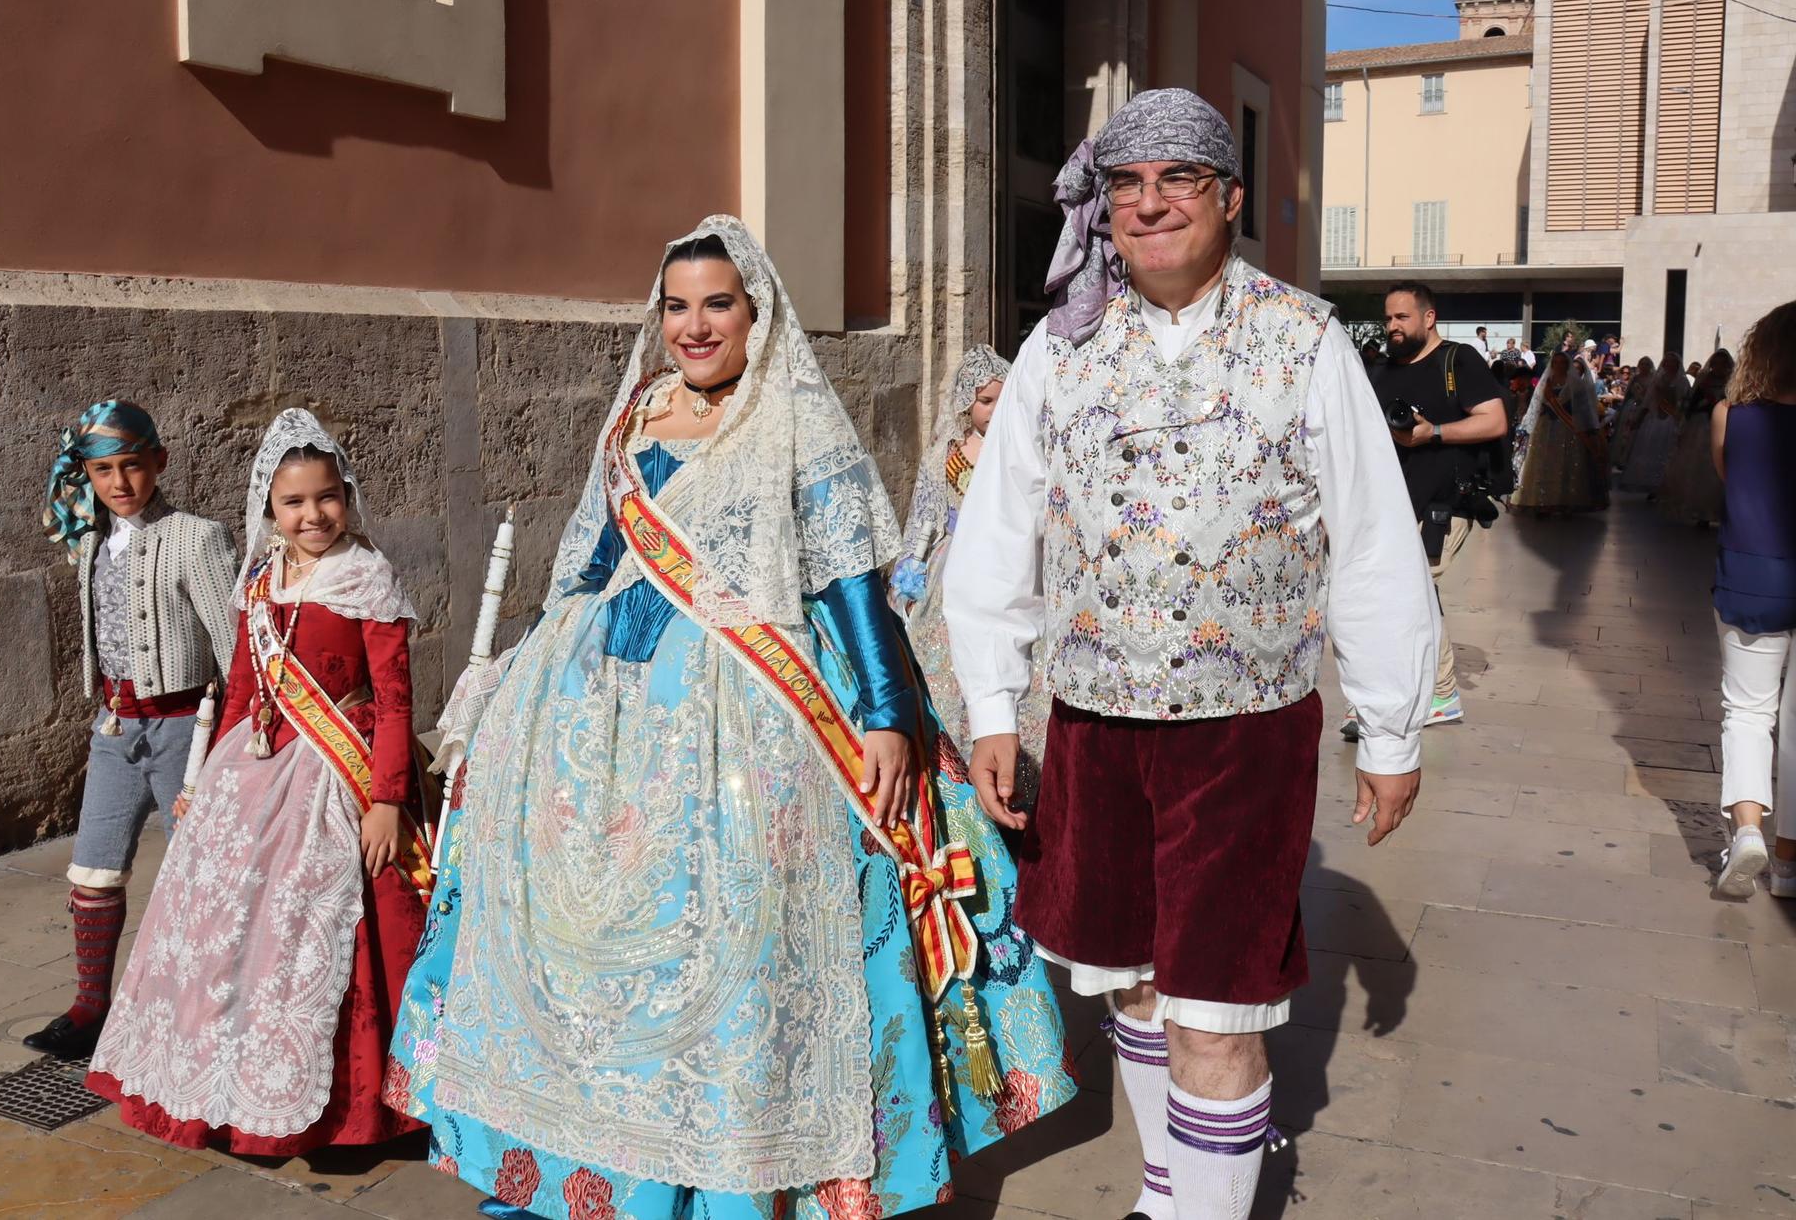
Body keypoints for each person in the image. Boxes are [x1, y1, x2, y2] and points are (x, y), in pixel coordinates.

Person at [386, 216, 1075, 1220]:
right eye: (677, 306)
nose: (694, 325)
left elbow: (848, 575)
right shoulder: (633, 417)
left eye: (717, 304)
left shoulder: (794, 418)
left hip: (745, 714)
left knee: (732, 938)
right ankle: (571, 1151)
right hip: (590, 716)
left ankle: (733, 1162)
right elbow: (584, 560)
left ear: (757, 314)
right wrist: (509, 681)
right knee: (570, 938)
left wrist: (885, 712)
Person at [947, 90, 1439, 1220]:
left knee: (1213, 1010)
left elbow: (1368, 541)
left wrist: (1390, 723)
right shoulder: (1058, 349)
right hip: (1092, 728)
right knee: (1128, 988)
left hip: (1243, 732)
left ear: (1225, 198)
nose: (1148, 202)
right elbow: (998, 532)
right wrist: (989, 702)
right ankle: (1169, 1201)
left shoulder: (1301, 337)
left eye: (1177, 179)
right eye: (1125, 183)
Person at [86, 409, 430, 1156]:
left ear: (348, 493)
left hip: (340, 776)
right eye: (294, 502)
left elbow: (397, 699)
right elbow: (242, 686)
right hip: (255, 773)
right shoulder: (260, 578)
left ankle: (363, 1110)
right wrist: (209, 777)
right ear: (269, 509)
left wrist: (387, 799)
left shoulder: (368, 578)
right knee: (233, 931)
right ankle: (224, 1087)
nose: (314, 514)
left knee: (332, 928)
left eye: (327, 496)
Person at [24, 400, 237, 1060]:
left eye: (132, 466)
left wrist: (232, 743)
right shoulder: (89, 541)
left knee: (196, 876)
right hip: (115, 727)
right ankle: (92, 1005)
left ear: (159, 462)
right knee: (92, 870)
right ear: (87, 473)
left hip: (184, 727)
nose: (119, 482)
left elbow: (235, 651)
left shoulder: (197, 537)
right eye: (104, 469)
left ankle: (196, 1014)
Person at [890, 344, 1048, 806]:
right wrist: (908, 581)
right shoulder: (948, 457)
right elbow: (923, 520)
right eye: (985, 402)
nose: (994, 410)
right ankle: (954, 762)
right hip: (952, 568)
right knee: (944, 666)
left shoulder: (1019, 451)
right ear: (966, 406)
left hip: (1010, 565)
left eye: (1002, 399)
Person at [1361, 282, 1510, 730]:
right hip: (1394, 502)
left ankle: (1437, 692)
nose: (1393, 327)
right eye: (1388, 319)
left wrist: (1435, 432)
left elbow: (1495, 420)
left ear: (1429, 318)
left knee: (1414, 591)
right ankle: (1428, 691)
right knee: (1409, 595)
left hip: (1448, 503)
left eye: (1402, 318)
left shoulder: (1458, 360)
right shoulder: (1384, 369)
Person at [1707, 304, 1796, 898]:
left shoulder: (1728, 416)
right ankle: (1789, 863)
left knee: (1748, 711)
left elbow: (1728, 478)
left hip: (1751, 574)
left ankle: (1747, 832)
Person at [1510, 352, 1607, 516]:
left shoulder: (1574, 383)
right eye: (1556, 362)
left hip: (1568, 427)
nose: (1559, 365)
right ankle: (1544, 500)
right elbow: (1538, 404)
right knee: (1545, 463)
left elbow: (1581, 407)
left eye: (1563, 362)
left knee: (1567, 463)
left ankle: (1566, 500)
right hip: (1546, 426)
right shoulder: (1546, 381)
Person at [1658, 349, 1734, 526]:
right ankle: (1702, 510)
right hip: (1701, 427)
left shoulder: (1732, 384)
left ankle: (1720, 509)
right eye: (1717, 363)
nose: (1720, 367)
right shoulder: (1703, 383)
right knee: (1700, 467)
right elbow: (1690, 404)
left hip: (1725, 426)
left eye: (1724, 364)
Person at [1618, 354, 1688, 492]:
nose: (1669, 365)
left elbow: (1684, 400)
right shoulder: (1657, 380)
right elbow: (1648, 401)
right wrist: (1639, 418)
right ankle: (1652, 484)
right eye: (1667, 362)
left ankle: (1667, 484)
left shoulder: (1682, 381)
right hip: (1655, 419)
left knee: (1669, 452)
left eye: (1673, 362)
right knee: (1651, 451)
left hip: (1673, 419)